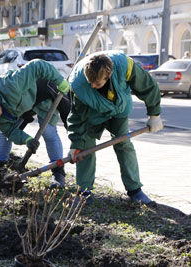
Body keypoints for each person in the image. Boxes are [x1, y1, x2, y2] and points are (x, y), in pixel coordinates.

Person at [67, 51, 164, 205]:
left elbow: (148, 86)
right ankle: (84, 191)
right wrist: (75, 144)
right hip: (93, 114)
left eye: (97, 84)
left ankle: (135, 190)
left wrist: (154, 115)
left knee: (124, 144)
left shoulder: (124, 66)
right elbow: (77, 116)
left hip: (119, 110)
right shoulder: (79, 84)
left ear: (109, 74)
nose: (92, 86)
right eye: (90, 82)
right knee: (85, 148)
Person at [0, 59, 70, 187]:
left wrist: (59, 81)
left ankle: (58, 173)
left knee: (48, 132)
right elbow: (10, 131)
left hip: (41, 93)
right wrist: (27, 139)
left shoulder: (12, 84)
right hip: (21, 106)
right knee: (3, 134)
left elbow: (37, 65)